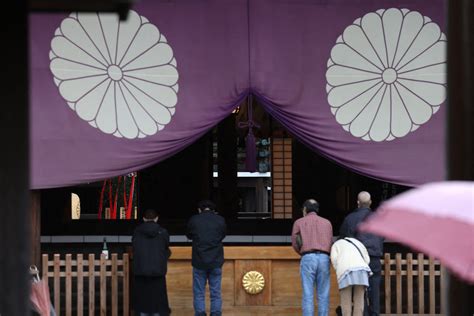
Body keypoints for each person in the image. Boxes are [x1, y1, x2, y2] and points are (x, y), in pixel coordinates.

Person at [339, 191, 384, 316]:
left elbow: (343, 238)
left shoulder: (350, 218)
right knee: (374, 288)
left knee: (360, 289)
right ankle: (375, 313)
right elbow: (383, 235)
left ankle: (363, 313)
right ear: (370, 202)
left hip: (358, 259)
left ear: (357, 203)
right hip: (374, 257)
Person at [291, 199, 333, 316]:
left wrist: (303, 253)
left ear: (305, 209)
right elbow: (330, 242)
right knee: (323, 294)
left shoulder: (299, 222)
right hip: (324, 258)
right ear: (317, 210)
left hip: (308, 257)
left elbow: (295, 243)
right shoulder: (327, 223)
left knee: (308, 294)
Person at [186, 200, 226, 316]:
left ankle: (200, 313)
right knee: (216, 292)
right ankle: (216, 313)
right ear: (213, 210)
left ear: (199, 210)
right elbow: (223, 235)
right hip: (216, 260)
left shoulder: (194, 220)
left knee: (199, 292)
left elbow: (189, 235)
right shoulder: (220, 220)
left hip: (199, 260)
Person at [132, 209, 171, 316]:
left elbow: (135, 248)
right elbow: (166, 249)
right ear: (157, 218)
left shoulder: (137, 231)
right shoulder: (163, 232)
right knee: (158, 299)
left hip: (141, 270)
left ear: (144, 219)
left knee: (143, 299)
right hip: (158, 271)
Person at [331, 237, 371, 316]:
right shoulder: (357, 242)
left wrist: (339, 269)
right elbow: (367, 258)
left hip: (345, 271)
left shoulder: (336, 244)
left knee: (346, 300)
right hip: (361, 270)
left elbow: (334, 260)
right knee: (359, 299)